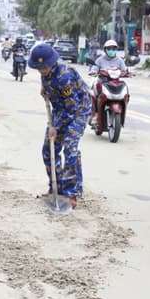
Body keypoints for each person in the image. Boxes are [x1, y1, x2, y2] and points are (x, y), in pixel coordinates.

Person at [28, 43, 90, 209]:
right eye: (39, 68)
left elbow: (71, 108)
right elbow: (49, 86)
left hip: (79, 110)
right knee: (49, 149)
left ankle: (71, 192)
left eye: (44, 67)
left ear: (51, 63)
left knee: (70, 147)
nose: (42, 71)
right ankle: (56, 187)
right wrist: (44, 89)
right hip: (60, 110)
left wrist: (55, 126)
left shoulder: (64, 76)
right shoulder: (45, 71)